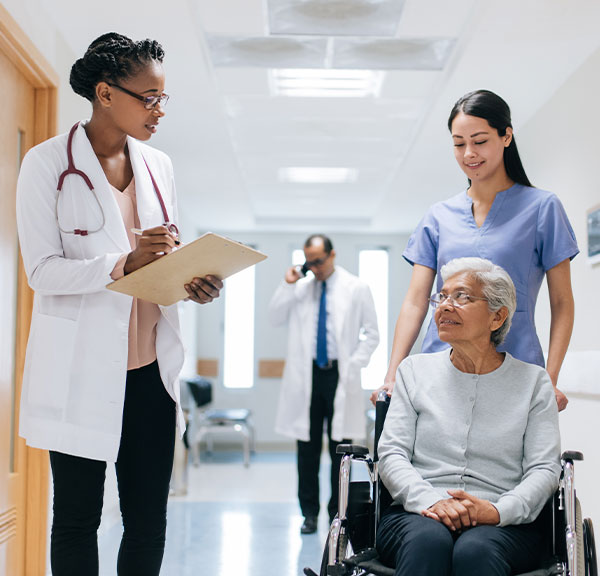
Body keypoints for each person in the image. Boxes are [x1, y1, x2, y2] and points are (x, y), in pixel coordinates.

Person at [16, 33, 222, 576]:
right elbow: (40, 271)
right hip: (81, 369)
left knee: (148, 519)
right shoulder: (45, 165)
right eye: (148, 98)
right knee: (78, 518)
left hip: (150, 370)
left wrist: (188, 281)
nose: (159, 111)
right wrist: (122, 263)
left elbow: (160, 262)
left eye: (163, 99)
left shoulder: (160, 166)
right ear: (105, 94)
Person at [372, 89, 578, 411]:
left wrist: (550, 380)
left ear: (506, 136)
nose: (469, 153)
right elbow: (415, 301)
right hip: (440, 368)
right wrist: (392, 374)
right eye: (458, 143)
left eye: (480, 141)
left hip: (518, 368)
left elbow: (562, 302)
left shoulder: (542, 208)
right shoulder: (439, 216)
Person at [376, 257, 560, 576]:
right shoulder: (414, 372)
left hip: (504, 520)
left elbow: (544, 468)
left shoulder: (533, 382)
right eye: (442, 296)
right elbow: (392, 453)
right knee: (427, 543)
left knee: (476, 550)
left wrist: (498, 511)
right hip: (418, 512)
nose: (445, 306)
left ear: (497, 317)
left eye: (461, 296)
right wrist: (431, 501)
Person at [269, 234, 379, 534]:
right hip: (306, 377)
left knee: (338, 450)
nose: (314, 268)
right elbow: (275, 316)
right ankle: (309, 514)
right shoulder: (300, 289)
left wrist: (354, 364)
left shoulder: (356, 288)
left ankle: (337, 514)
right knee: (306, 447)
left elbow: (372, 334)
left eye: (319, 261)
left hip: (339, 375)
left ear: (332, 255)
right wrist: (288, 282)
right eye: (309, 262)